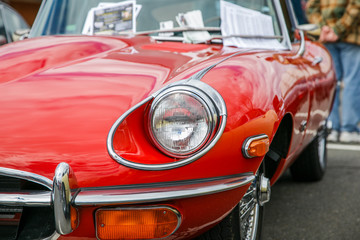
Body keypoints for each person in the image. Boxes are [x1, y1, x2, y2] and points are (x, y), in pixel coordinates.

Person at [306, 0, 360, 143]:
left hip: (327, 37)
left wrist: (324, 28)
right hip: (351, 36)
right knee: (352, 82)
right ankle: (349, 129)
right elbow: (355, 7)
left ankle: (331, 127)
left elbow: (311, 7)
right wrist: (337, 30)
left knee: (332, 82)